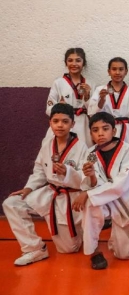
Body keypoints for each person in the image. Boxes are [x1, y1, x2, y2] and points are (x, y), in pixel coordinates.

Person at [3, 103, 88, 266]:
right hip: (50, 193)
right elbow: (39, 171)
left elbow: (85, 180)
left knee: (69, 248)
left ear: (73, 124)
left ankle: (79, 234)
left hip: (70, 197)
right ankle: (34, 248)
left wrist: (68, 173)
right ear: (50, 123)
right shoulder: (47, 144)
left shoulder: (82, 148)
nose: (60, 125)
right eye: (55, 121)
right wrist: (28, 189)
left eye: (65, 121)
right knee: (12, 203)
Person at [72, 112, 129, 270]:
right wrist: (91, 177)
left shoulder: (127, 151)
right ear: (90, 133)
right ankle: (94, 252)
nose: (100, 133)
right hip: (103, 200)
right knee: (89, 204)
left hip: (125, 201)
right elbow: (91, 185)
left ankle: (118, 235)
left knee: (125, 255)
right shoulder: (91, 154)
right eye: (95, 130)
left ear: (114, 131)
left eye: (105, 129)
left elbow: (120, 185)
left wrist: (88, 193)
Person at [88, 57, 129, 152]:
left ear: (126, 72)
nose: (117, 72)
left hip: (125, 131)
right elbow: (92, 114)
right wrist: (102, 100)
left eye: (121, 69)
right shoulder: (100, 90)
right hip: (105, 129)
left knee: (124, 157)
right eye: (114, 69)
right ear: (109, 72)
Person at [46, 48, 93, 145]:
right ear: (65, 63)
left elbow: (95, 111)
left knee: (82, 151)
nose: (74, 64)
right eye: (70, 60)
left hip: (83, 125)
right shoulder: (58, 83)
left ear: (83, 63)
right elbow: (49, 108)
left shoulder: (91, 84)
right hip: (63, 122)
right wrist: (60, 107)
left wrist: (87, 96)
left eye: (78, 60)